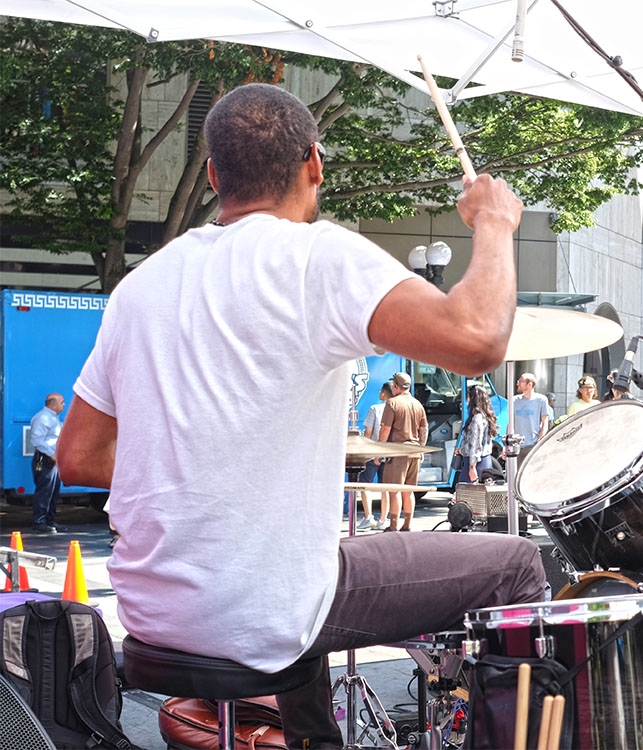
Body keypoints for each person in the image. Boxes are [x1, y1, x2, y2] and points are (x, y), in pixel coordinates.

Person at [55, 83, 544, 750]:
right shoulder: (316, 256)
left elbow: (78, 458)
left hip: (152, 612)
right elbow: (478, 338)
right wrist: (494, 222)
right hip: (259, 613)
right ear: (315, 163)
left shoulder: (142, 285)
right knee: (515, 564)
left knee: (296, 570)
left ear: (212, 175)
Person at [379, 372, 428, 532]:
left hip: (397, 453)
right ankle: (407, 525)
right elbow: (424, 429)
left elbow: (385, 429)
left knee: (395, 491)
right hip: (414, 452)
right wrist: (421, 447)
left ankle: (393, 526)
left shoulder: (392, 403)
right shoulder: (417, 404)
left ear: (396, 387)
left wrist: (380, 450)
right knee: (409, 491)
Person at [357, 381, 393, 531]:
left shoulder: (374, 409)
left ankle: (368, 517)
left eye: (380, 391)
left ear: (384, 393)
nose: (379, 393)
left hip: (373, 453)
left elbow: (368, 433)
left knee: (366, 484)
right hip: (390, 453)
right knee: (385, 487)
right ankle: (383, 519)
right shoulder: (395, 409)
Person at [29, 393, 66, 534]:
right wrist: (52, 454)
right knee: (44, 491)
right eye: (62, 402)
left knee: (53, 492)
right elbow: (37, 440)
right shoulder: (42, 418)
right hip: (45, 460)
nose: (64, 404)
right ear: (53, 404)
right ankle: (40, 521)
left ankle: (50, 521)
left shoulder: (53, 418)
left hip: (53, 460)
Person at [455, 384, 498, 483]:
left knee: (467, 495)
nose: (467, 399)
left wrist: (471, 467)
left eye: (468, 396)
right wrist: (462, 449)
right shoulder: (485, 416)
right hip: (484, 460)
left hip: (475, 463)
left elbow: (476, 444)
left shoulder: (476, 418)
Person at [511, 372, 549, 457]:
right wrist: (506, 446)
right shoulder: (514, 400)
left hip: (532, 445)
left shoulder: (541, 400)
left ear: (529, 384)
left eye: (521, 381)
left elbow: (544, 423)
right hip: (516, 446)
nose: (518, 383)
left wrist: (539, 442)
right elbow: (510, 423)